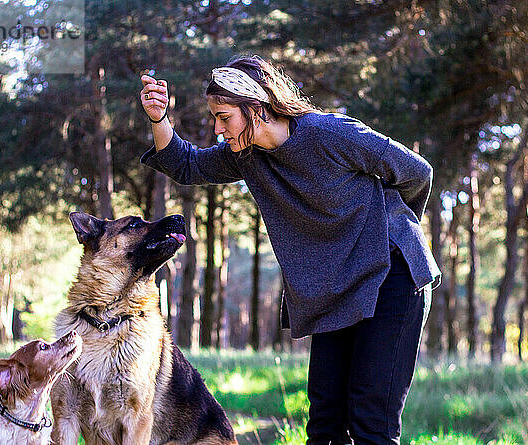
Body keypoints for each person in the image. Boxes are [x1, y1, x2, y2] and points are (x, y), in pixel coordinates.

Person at [139, 55, 441, 445]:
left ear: (256, 108)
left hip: (393, 276)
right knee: (324, 425)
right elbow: (186, 165)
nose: (217, 129)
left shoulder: (329, 133)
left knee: (371, 422)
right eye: (215, 118)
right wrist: (159, 117)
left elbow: (417, 172)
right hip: (335, 288)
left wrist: (395, 228)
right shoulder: (247, 157)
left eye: (224, 117)